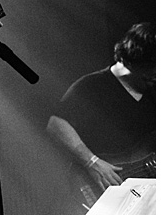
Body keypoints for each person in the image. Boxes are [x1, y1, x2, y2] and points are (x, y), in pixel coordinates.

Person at [46, 22, 155, 210]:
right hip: (100, 187)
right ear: (133, 60)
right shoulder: (92, 86)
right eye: (152, 68)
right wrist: (92, 162)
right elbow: (55, 124)